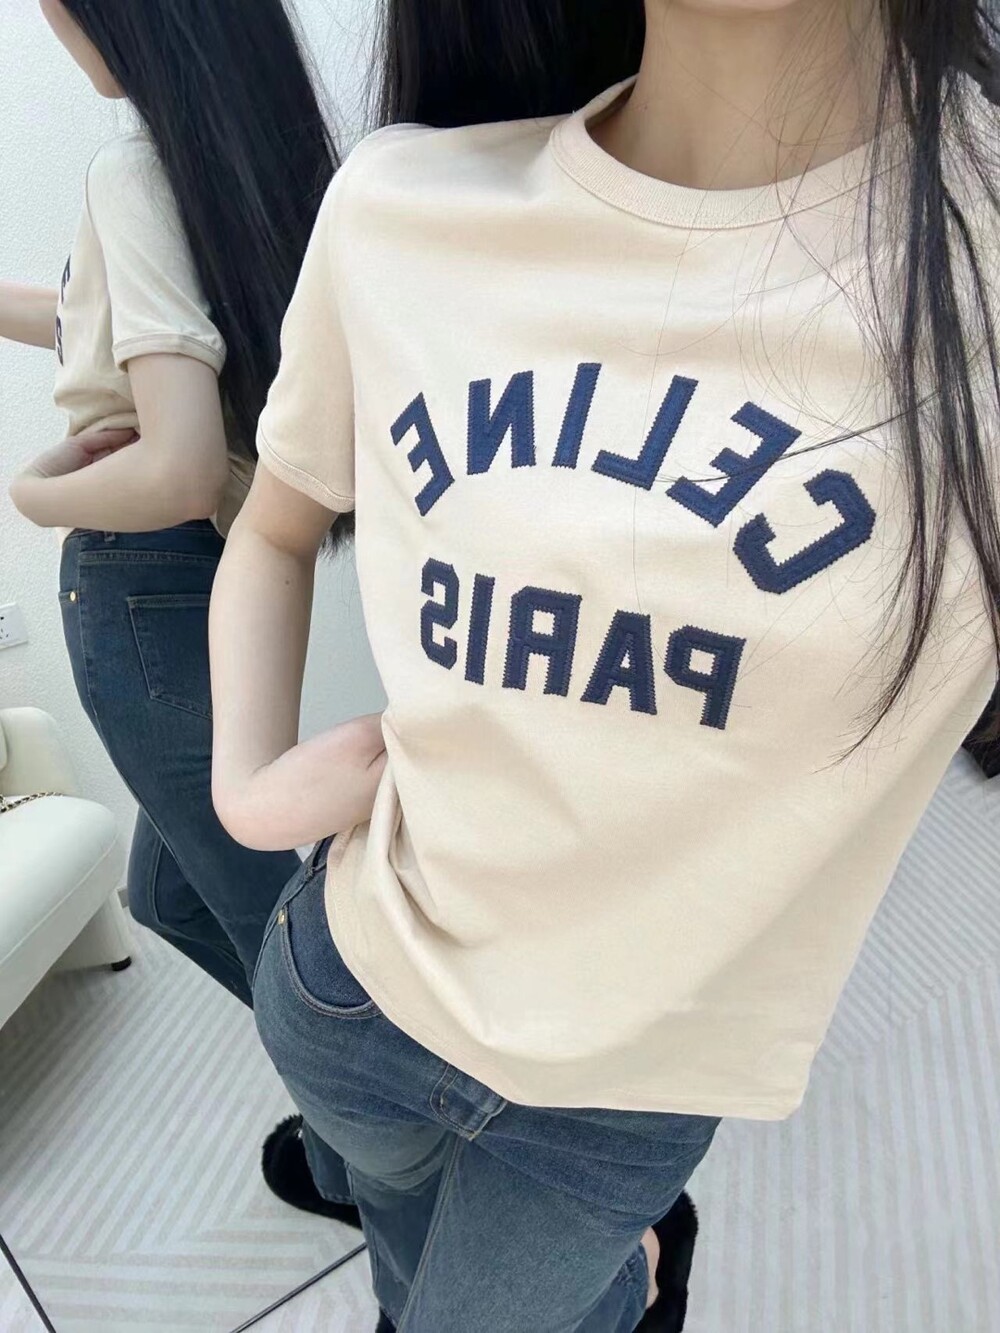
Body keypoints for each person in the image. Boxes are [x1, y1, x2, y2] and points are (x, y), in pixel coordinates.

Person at [209, 0, 1000, 1329]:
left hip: (618, 1108)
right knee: (404, 1242)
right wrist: (245, 789)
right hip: (346, 996)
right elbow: (277, 524)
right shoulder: (403, 210)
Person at [3, 0, 356, 1221]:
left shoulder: (133, 170)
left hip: (142, 582)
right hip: (205, 580)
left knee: (273, 923)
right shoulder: (237, 154)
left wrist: (33, 493)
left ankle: (394, 1161)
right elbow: (109, 323)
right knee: (170, 895)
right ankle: (375, 1113)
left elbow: (176, 464)